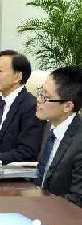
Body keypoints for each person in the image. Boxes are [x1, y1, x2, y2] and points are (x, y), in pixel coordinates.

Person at [35, 66, 82, 207]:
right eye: (40, 92)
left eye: (46, 97)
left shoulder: (79, 142)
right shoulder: (50, 124)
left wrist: (41, 203)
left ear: (67, 106)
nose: (38, 100)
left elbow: (78, 198)